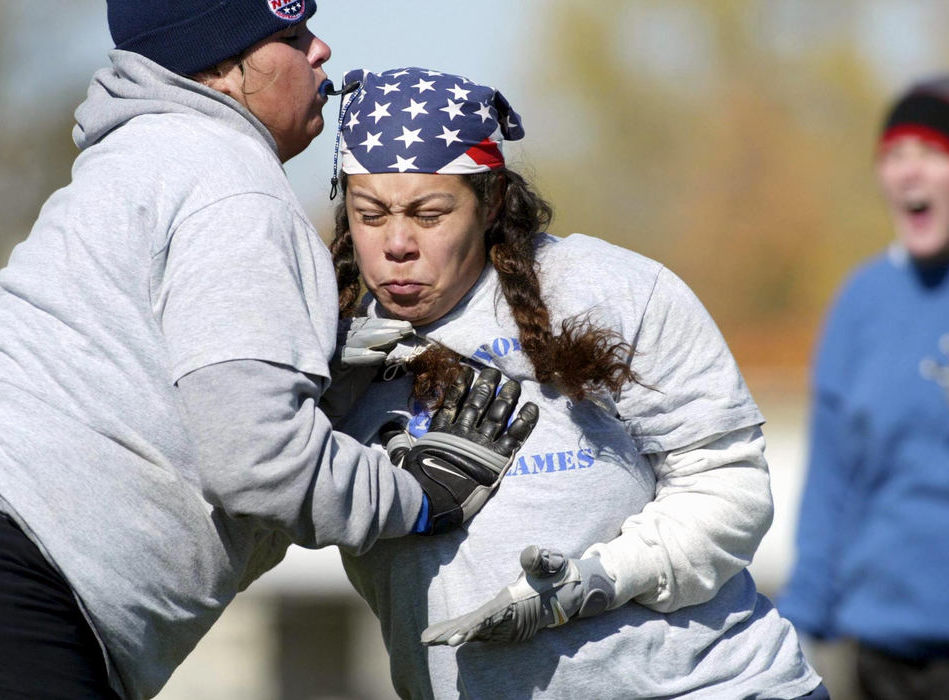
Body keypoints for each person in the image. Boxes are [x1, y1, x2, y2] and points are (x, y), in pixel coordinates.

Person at [0, 5, 537, 699]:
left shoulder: (145, 156)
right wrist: (416, 497)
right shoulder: (231, 183)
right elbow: (258, 461)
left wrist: (328, 378)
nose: (321, 51)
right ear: (221, 66)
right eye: (294, 38)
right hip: (17, 583)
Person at [326, 66, 827, 699]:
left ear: (490, 202)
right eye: (371, 215)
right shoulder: (321, 338)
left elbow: (730, 488)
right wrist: (327, 387)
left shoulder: (612, 291)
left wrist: (596, 581)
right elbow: (254, 501)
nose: (397, 244)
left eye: (430, 214)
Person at [778, 73, 949, 700]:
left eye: (932, 152)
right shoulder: (861, 301)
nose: (907, 172)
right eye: (893, 155)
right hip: (882, 654)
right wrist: (799, 623)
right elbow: (833, 479)